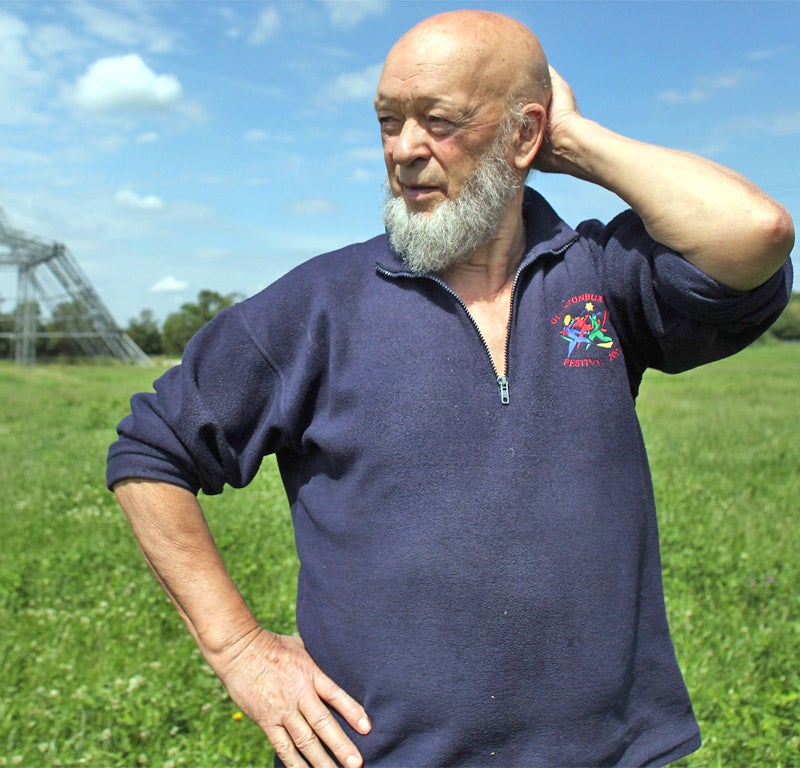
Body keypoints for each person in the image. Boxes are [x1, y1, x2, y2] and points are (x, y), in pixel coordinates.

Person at [107, 10, 793, 768]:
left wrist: (573, 141)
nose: (404, 151)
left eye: (438, 121)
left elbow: (754, 231)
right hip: (383, 755)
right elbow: (150, 453)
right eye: (387, 123)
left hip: (610, 752)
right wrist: (239, 651)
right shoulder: (319, 304)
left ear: (523, 135)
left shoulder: (599, 276)